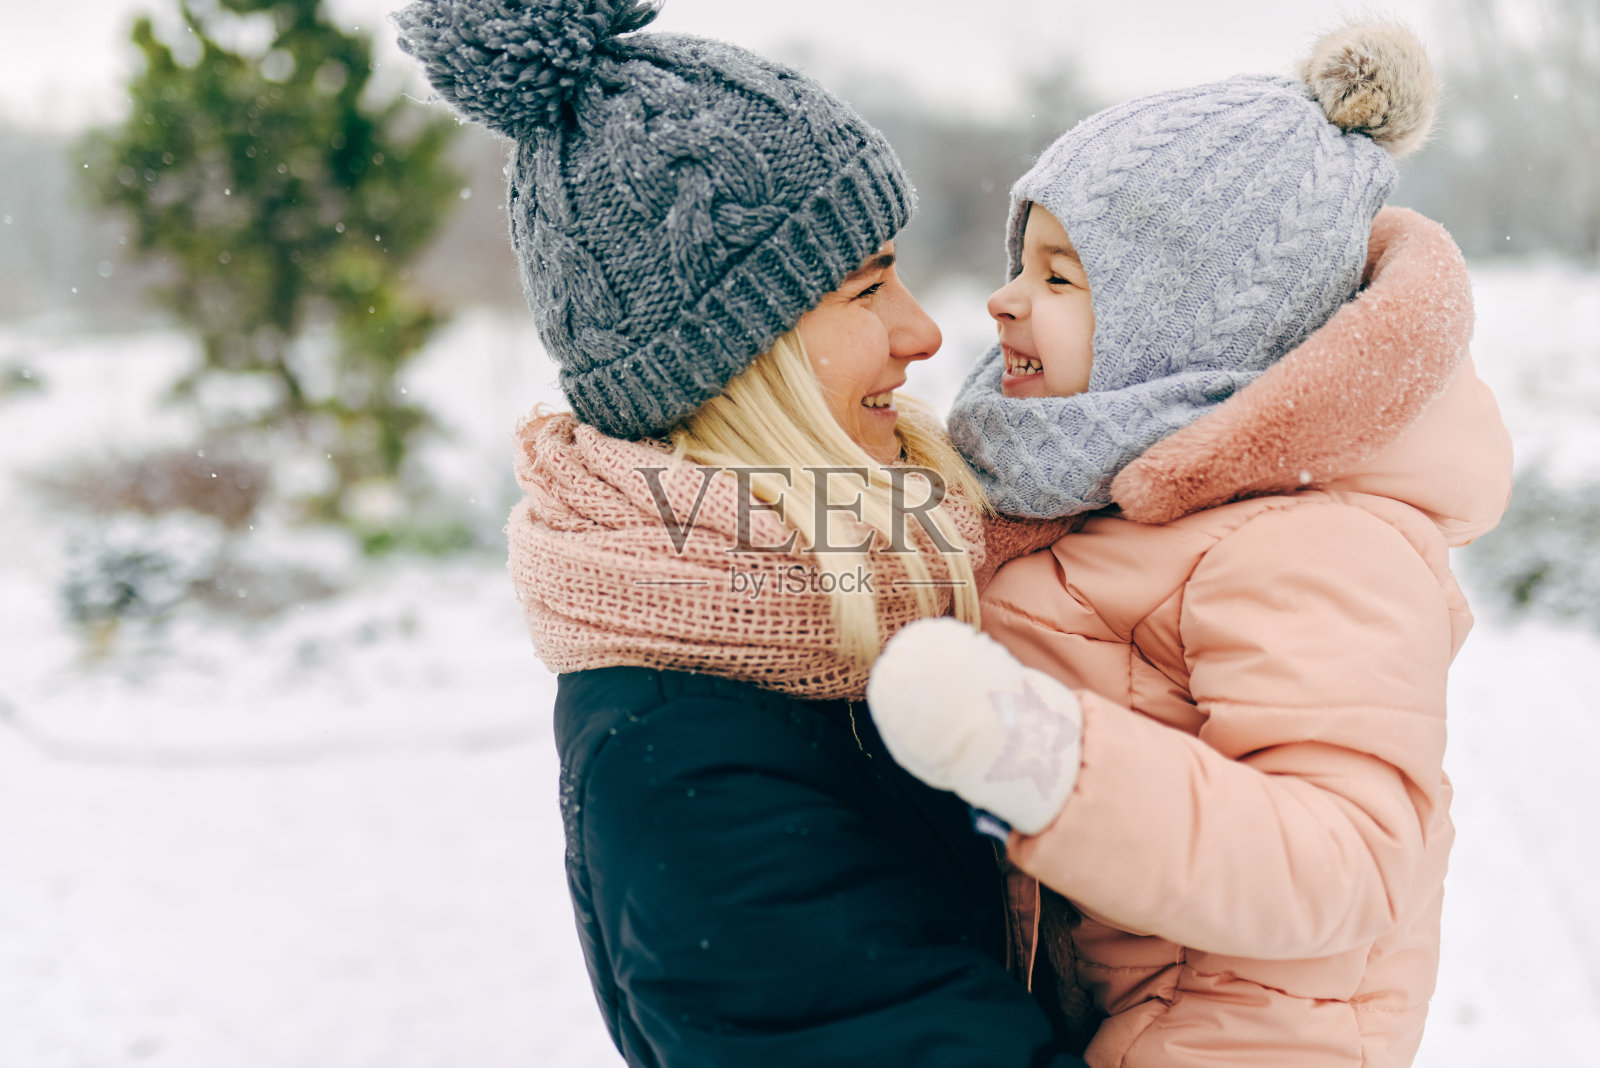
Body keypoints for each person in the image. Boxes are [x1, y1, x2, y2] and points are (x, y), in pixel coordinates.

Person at [392, 1, 1095, 1064]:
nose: (921, 330)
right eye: (866, 289)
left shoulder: (882, 570)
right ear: (729, 362)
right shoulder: (680, 753)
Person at [866, 23, 1513, 1068]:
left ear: (1185, 326)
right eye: (1016, 264)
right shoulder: (1092, 497)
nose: (1002, 301)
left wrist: (1041, 760)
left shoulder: (1310, 546)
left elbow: (1344, 860)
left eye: (1060, 278)